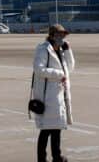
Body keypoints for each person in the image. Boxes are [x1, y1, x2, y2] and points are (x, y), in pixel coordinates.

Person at [31, 24, 75, 162]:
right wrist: (58, 74)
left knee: (57, 128)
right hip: (47, 95)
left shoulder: (61, 50)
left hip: (60, 94)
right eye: (58, 35)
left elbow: (70, 67)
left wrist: (68, 51)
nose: (61, 37)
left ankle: (57, 156)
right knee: (46, 130)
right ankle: (41, 159)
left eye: (63, 35)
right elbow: (39, 69)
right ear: (51, 35)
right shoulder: (43, 49)